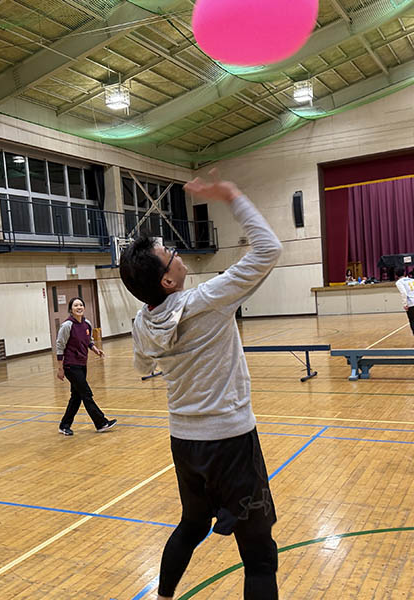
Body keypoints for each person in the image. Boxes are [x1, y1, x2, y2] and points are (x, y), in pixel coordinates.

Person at [119, 170, 281, 600]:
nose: (176, 253)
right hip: (230, 440)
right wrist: (231, 194)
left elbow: (141, 366)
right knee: (260, 556)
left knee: (192, 524)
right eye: (170, 253)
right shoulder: (205, 300)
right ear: (168, 281)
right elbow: (269, 248)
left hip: (185, 442)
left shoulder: (141, 321)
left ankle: (165, 595)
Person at [55, 297, 117, 436]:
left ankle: (64, 425)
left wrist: (95, 349)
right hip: (70, 365)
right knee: (86, 394)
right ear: (71, 309)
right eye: (76, 305)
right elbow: (60, 346)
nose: (79, 307)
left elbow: (88, 341)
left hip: (82, 363)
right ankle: (101, 422)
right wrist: (60, 368)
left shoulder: (87, 323)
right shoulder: (67, 326)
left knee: (76, 397)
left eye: (81, 305)